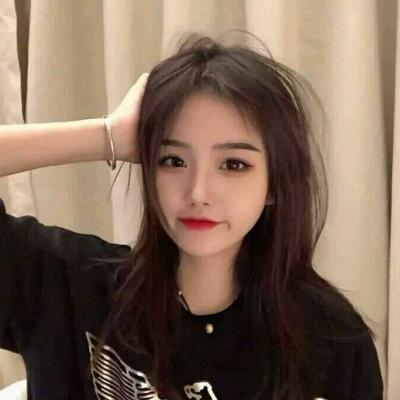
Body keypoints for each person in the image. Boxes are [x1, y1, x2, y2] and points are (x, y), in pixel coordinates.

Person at [0, 32, 383, 400]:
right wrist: (107, 135)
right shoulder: (68, 286)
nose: (198, 193)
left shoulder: (328, 338)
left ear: (274, 185)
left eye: (233, 164)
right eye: (173, 160)